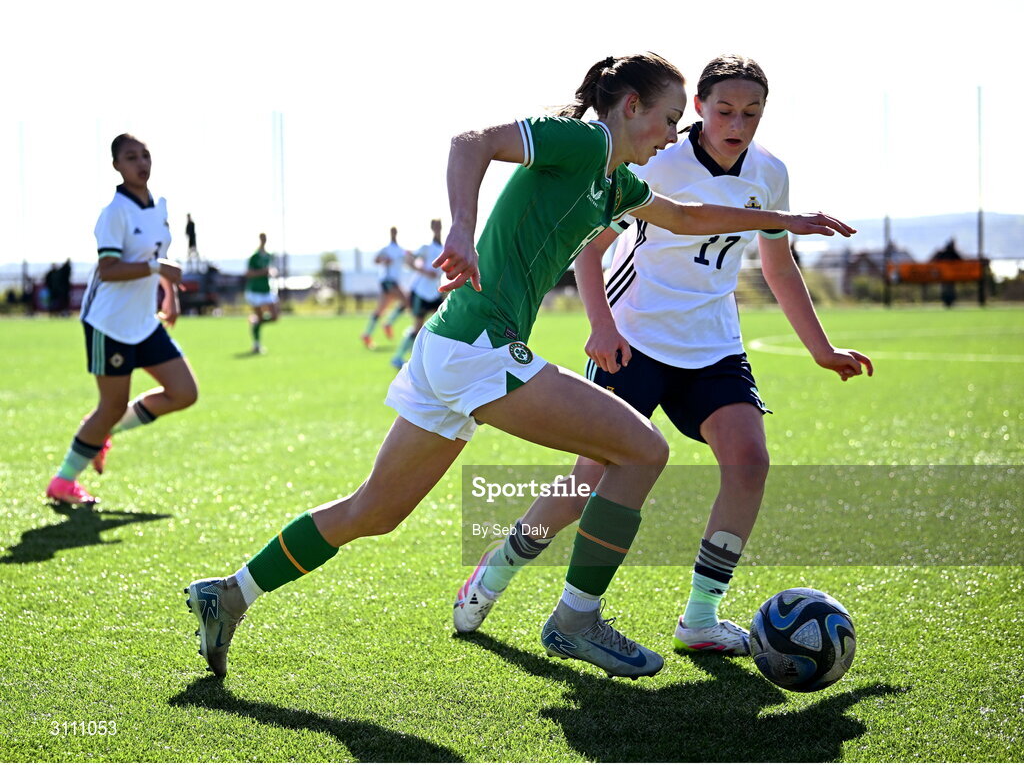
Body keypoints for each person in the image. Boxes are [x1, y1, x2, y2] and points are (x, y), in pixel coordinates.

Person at [185, 53, 854, 680]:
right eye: (670, 118)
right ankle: (576, 619)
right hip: (479, 346)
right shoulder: (585, 143)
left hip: (450, 350)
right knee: (642, 453)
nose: (672, 135)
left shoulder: (611, 180)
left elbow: (683, 215)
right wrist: (458, 229)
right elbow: (470, 141)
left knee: (374, 512)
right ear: (628, 107)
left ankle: (229, 592)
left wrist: (785, 219)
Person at [451, 54, 873, 658]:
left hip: (713, 341)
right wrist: (599, 326)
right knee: (590, 478)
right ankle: (497, 571)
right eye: (724, 109)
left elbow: (777, 267)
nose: (738, 122)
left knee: (749, 461)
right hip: (635, 335)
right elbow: (590, 250)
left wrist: (822, 349)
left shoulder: (770, 174)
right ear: (698, 108)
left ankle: (701, 617)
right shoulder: (657, 158)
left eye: (751, 113)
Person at [45, 134, 199, 505]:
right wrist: (156, 267)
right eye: (131, 157)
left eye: (145, 155)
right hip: (109, 324)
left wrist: (169, 294)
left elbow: (158, 257)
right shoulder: (114, 213)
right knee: (111, 405)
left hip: (144, 322)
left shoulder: (158, 207)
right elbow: (110, 269)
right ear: (117, 165)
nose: (141, 163)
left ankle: (102, 433)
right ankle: (63, 481)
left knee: (184, 393)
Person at [390, 219, 445, 369]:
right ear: (432, 228)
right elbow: (408, 259)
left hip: (435, 293)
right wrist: (423, 270)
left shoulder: (445, 248)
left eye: (439, 226)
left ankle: (433, 358)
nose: (438, 229)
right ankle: (397, 356)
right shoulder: (426, 248)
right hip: (420, 293)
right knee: (418, 327)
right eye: (435, 226)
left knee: (442, 325)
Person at [361, 227, 409, 348]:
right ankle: (388, 323)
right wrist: (384, 259)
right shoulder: (386, 249)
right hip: (388, 281)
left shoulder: (400, 250)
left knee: (381, 309)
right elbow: (376, 260)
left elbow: (407, 258)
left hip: (394, 281)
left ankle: (367, 334)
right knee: (407, 301)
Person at [244, 233, 280, 353]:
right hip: (255, 291)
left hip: (266, 290)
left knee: (274, 317)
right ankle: (256, 344)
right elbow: (249, 273)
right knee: (260, 317)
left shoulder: (269, 255)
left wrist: (272, 272)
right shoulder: (254, 256)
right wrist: (263, 272)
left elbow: (271, 269)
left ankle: (254, 321)